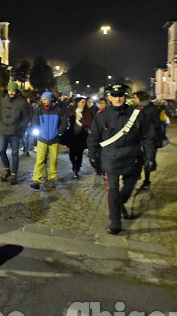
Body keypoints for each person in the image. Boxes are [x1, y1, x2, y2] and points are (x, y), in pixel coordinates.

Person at [87, 82, 156, 235]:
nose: (118, 99)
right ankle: (115, 222)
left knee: (129, 186)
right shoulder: (102, 116)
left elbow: (149, 136)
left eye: (121, 96)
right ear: (109, 97)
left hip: (133, 157)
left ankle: (118, 204)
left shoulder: (138, 114)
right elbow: (93, 138)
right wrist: (92, 155)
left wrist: (150, 156)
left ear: (125, 96)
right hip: (111, 158)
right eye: (115, 96)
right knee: (112, 189)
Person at [30, 91, 67, 189]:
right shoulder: (39, 109)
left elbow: (64, 122)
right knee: (39, 160)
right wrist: (37, 130)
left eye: (45, 99)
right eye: (42, 99)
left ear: (50, 100)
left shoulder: (58, 110)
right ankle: (36, 180)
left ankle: (51, 179)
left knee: (53, 160)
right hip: (42, 139)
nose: (43, 101)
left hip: (54, 139)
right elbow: (34, 121)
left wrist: (58, 132)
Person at [0, 82, 31, 185]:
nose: (11, 92)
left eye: (13, 90)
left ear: (16, 91)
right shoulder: (3, 100)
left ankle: (14, 174)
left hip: (15, 132)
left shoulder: (22, 102)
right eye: (9, 90)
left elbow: (27, 117)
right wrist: (0, 124)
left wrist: (20, 127)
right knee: (2, 151)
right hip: (4, 130)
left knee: (15, 153)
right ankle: (7, 169)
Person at [133, 90, 166, 190]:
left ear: (140, 98)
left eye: (135, 97)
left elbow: (157, 125)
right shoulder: (136, 109)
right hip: (138, 139)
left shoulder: (152, 109)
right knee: (138, 159)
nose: (133, 99)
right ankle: (138, 176)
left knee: (148, 161)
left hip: (150, 139)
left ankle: (146, 181)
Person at [64, 96, 94, 178]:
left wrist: (80, 119)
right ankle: (73, 163)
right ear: (77, 103)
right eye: (82, 102)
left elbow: (89, 124)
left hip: (82, 135)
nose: (83, 104)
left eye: (84, 102)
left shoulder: (87, 112)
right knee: (72, 153)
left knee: (79, 153)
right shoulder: (70, 111)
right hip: (72, 135)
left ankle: (77, 168)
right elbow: (65, 119)